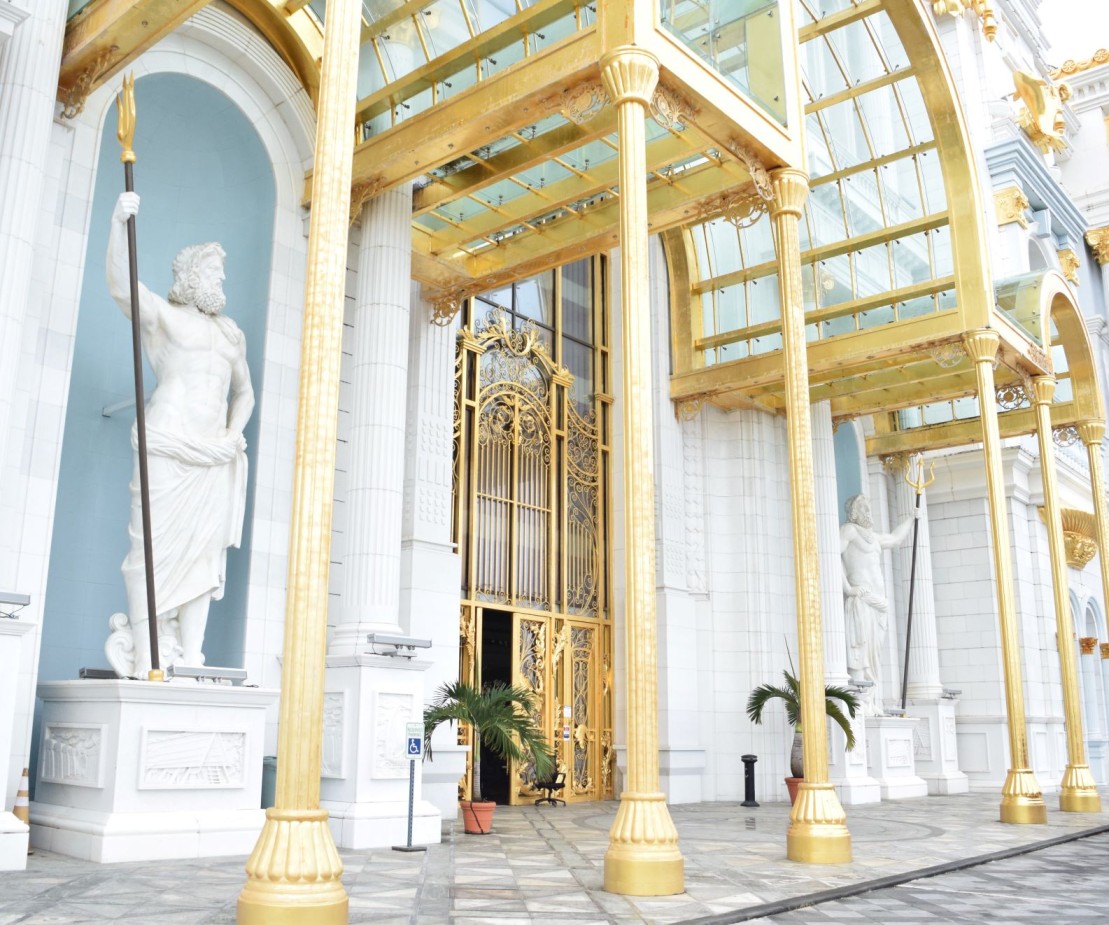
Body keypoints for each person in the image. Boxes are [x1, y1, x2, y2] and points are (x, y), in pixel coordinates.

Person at [106, 191, 253, 676]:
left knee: (203, 560)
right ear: (190, 277)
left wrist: (233, 435)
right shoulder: (166, 318)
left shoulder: (232, 335)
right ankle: (147, 656)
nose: (222, 279)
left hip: (212, 455)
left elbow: (245, 393)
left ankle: (191, 659)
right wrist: (118, 224)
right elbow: (124, 289)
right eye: (214, 271)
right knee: (149, 548)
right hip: (167, 446)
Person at [840, 494, 919, 715]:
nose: (867, 512)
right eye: (863, 508)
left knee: (874, 655)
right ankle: (858, 703)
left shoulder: (873, 538)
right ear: (853, 512)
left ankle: (870, 701)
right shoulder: (849, 531)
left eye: (868, 508)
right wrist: (848, 588)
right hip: (862, 599)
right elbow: (830, 554)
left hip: (878, 603)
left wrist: (912, 518)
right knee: (860, 648)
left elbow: (894, 539)